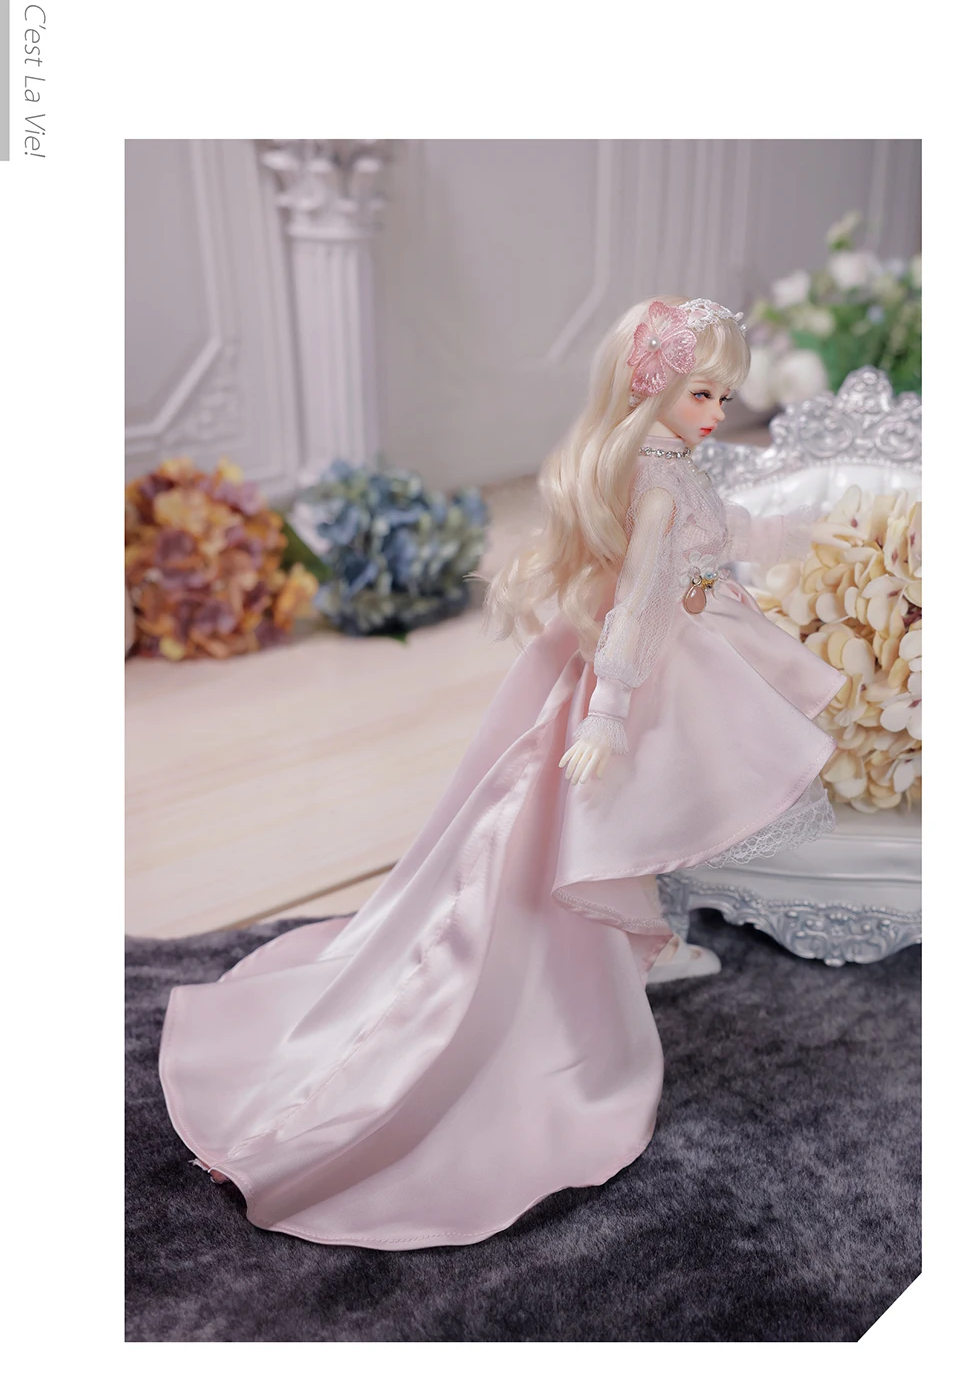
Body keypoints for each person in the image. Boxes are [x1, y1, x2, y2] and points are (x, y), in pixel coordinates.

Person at [158, 295, 848, 1249]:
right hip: (637, 678)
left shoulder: (671, 470)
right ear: (649, 387)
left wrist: (813, 528)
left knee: (649, 819)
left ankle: (649, 934)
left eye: (724, 397)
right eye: (700, 393)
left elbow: (724, 537)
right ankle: (559, 993)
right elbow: (641, 602)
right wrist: (608, 712)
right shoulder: (652, 485)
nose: (715, 412)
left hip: (670, 664)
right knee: (598, 824)